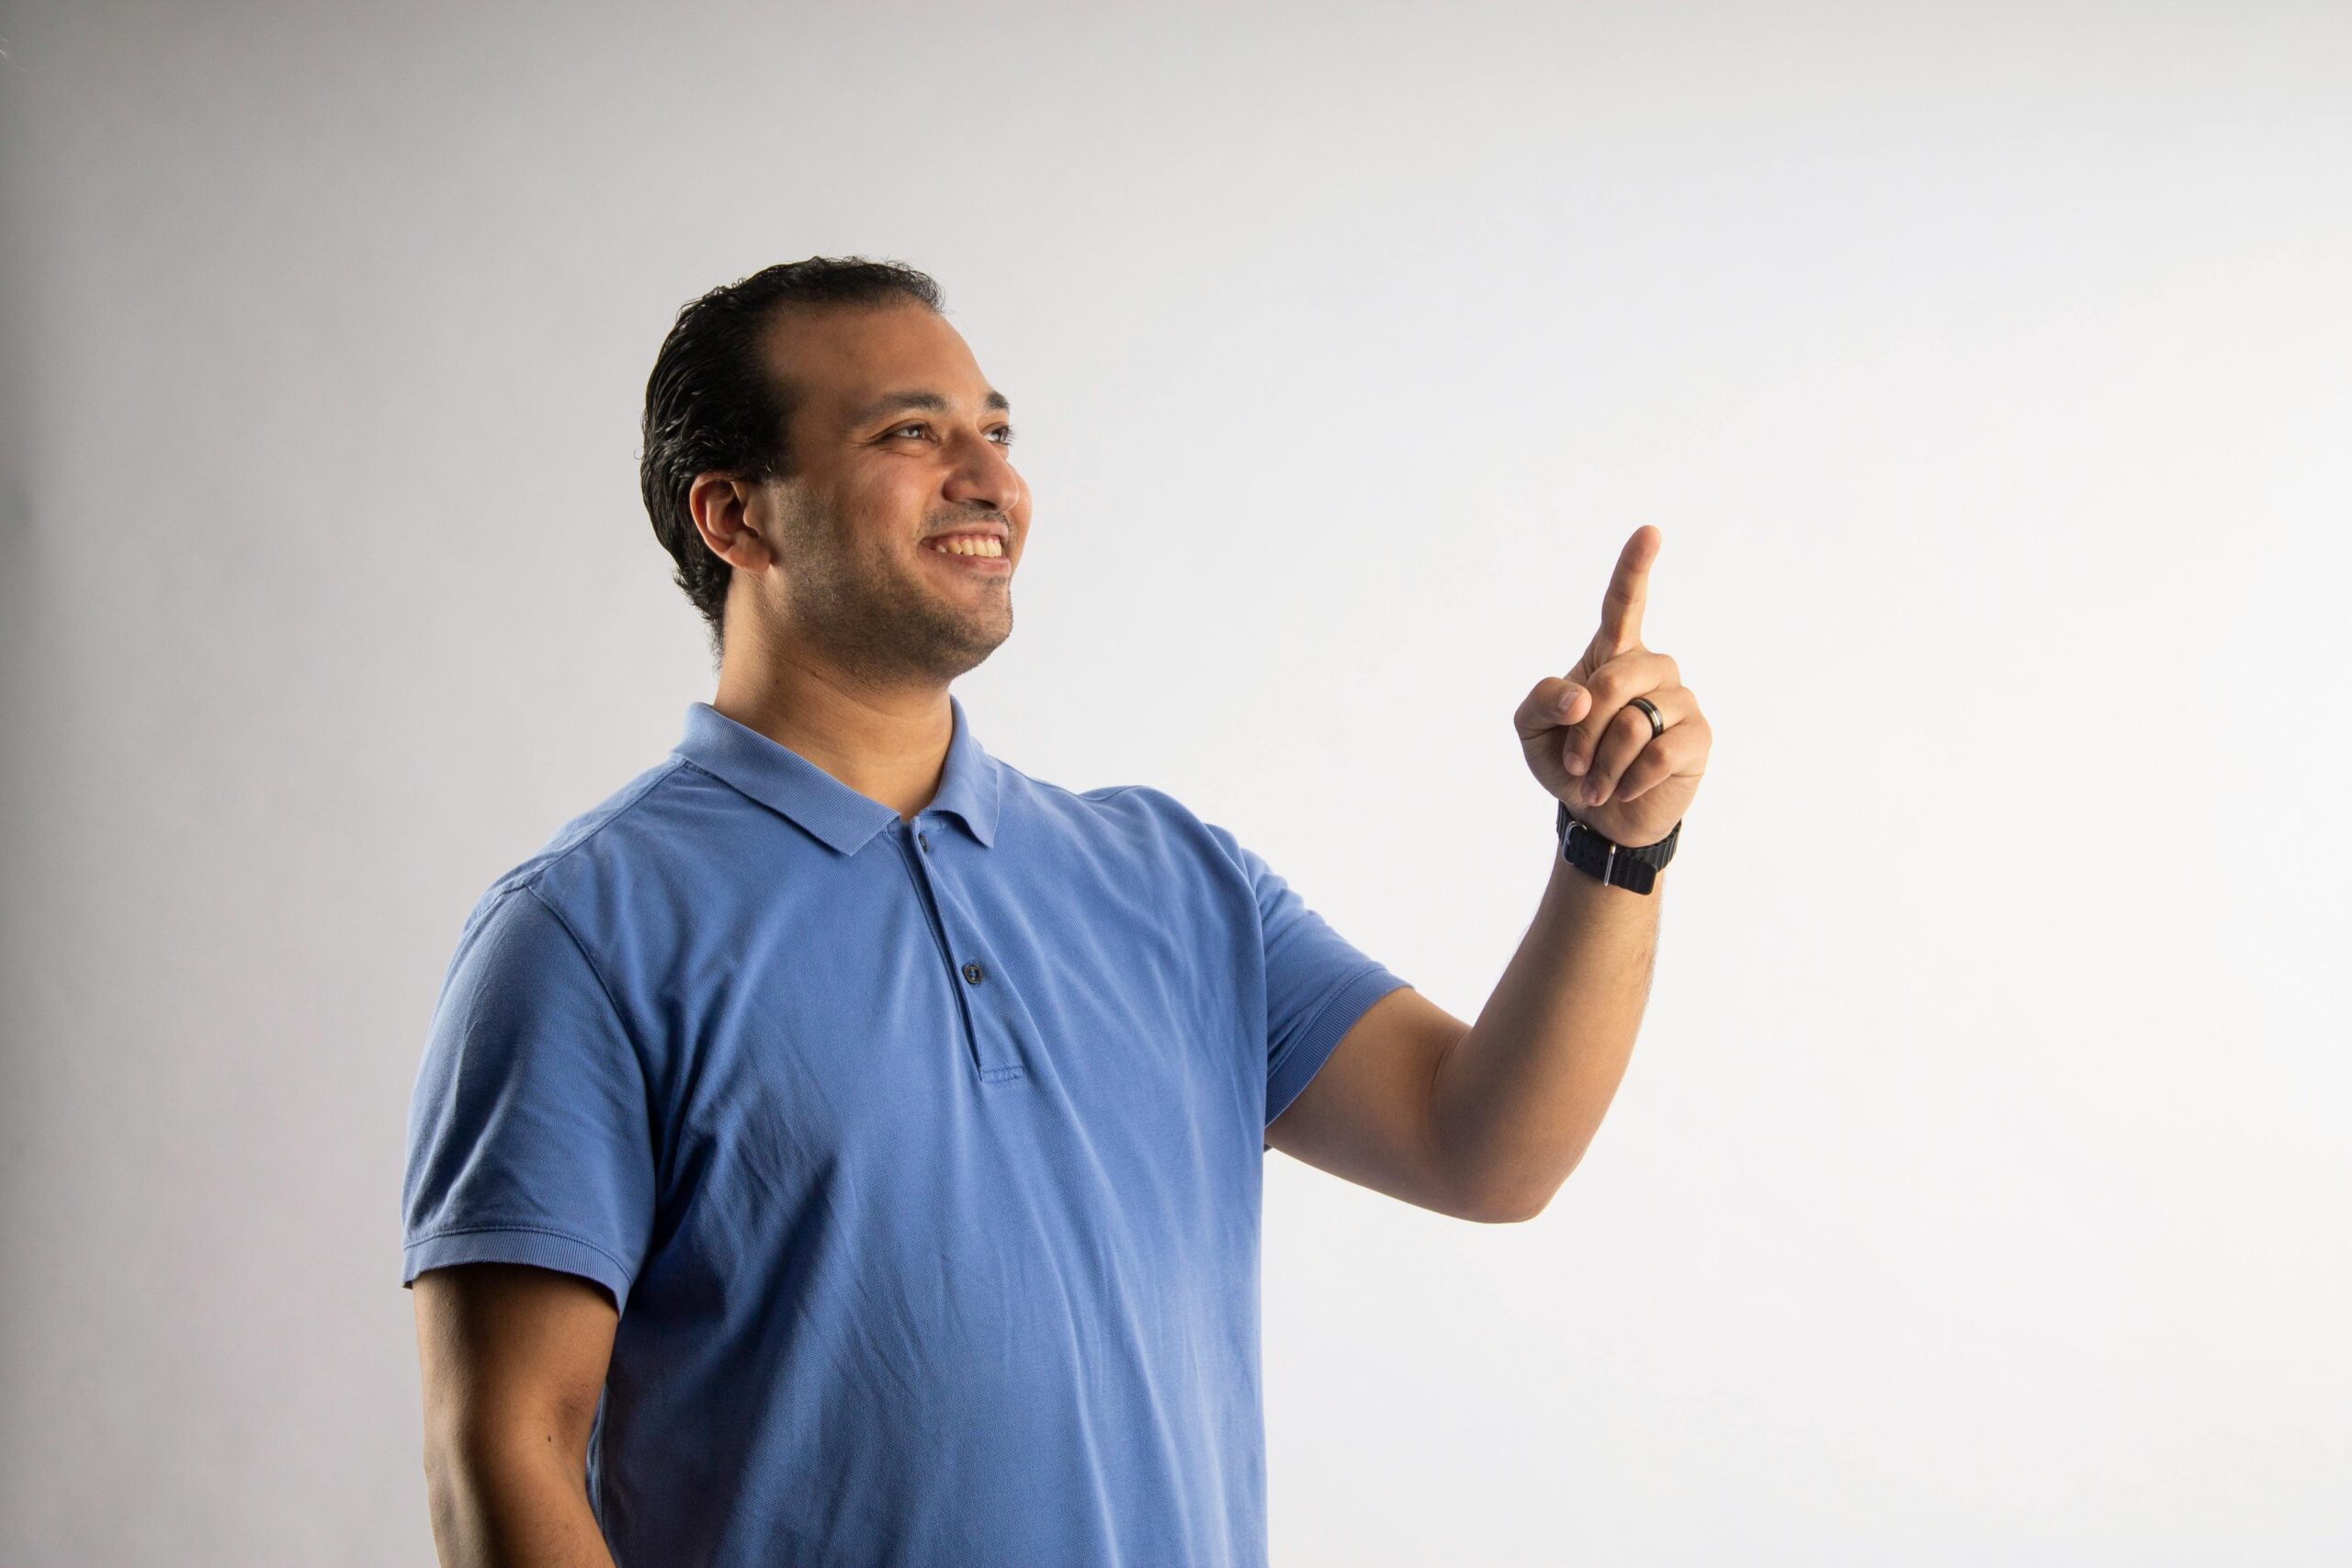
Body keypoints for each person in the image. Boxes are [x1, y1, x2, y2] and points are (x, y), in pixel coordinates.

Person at [401, 255, 1710, 1567]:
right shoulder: (584, 934)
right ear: (736, 517)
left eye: (998, 433)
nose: (990, 478)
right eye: (913, 432)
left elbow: (1485, 1150)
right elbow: (505, 1446)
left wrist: (1617, 845)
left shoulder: (1174, 881)